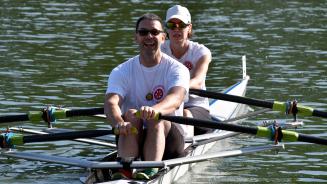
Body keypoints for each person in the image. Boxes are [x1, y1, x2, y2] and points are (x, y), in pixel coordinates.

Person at [104, 13, 191, 180]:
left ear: (163, 37)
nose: (149, 36)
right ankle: (125, 167)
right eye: (143, 32)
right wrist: (118, 123)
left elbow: (176, 99)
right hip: (133, 133)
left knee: (156, 117)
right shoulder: (121, 71)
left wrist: (154, 110)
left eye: (154, 32)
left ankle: (151, 169)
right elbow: (111, 102)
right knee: (129, 114)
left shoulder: (177, 69)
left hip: (171, 142)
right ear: (136, 37)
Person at [161, 5, 213, 135]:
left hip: (195, 105)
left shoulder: (201, 52)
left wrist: (177, 88)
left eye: (181, 24)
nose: (176, 29)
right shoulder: (159, 50)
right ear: (166, 29)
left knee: (183, 114)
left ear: (189, 28)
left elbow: (197, 81)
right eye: (172, 25)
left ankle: (185, 147)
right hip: (167, 104)